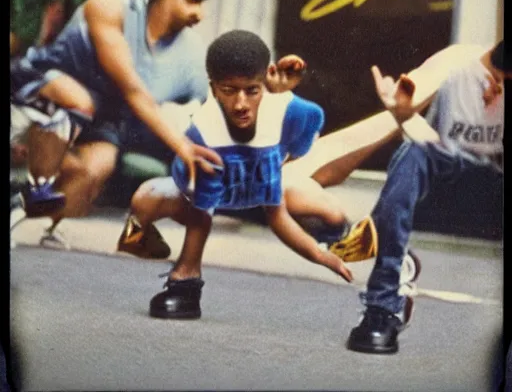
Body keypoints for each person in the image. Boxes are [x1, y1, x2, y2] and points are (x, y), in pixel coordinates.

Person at [119, 29, 374, 319]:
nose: (240, 104)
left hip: (262, 190)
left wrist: (320, 255)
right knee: (144, 200)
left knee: (331, 213)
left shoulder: (290, 113)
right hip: (206, 197)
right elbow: (202, 218)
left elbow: (280, 206)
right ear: (213, 88)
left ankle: (341, 240)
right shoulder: (205, 135)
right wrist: (185, 271)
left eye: (251, 91)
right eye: (229, 91)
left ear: (263, 81)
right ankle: (184, 281)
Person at [10, 0, 226, 245]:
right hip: (42, 86)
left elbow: (216, 105)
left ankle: (31, 218)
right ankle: (33, 175)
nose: (199, 14)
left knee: (97, 168)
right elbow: (133, 90)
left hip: (101, 115)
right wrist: (182, 146)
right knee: (78, 100)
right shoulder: (111, 7)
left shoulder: (190, 55)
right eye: (193, 0)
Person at [343, 40, 508, 354]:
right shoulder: (457, 64)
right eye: (493, 74)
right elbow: (428, 133)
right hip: (449, 167)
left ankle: (395, 261)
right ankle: (383, 306)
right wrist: (404, 114)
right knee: (412, 156)